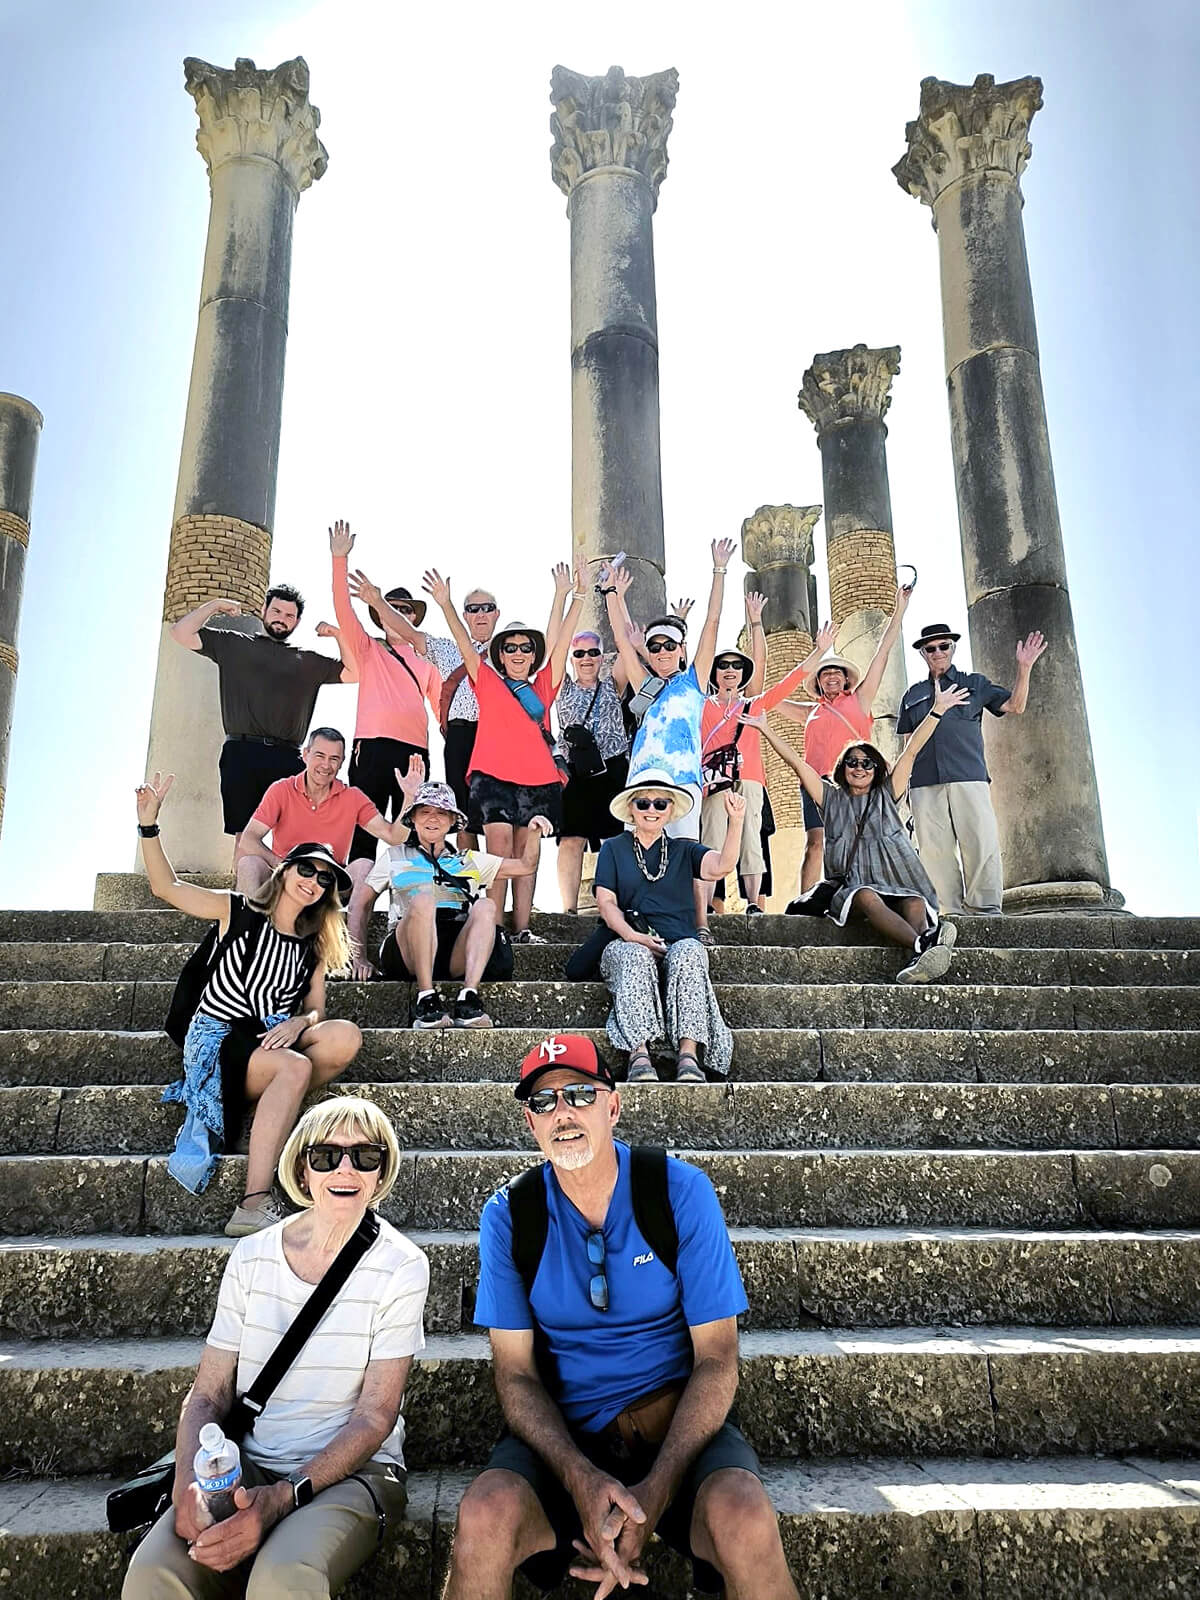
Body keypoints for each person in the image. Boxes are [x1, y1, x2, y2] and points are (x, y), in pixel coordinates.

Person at [440, 1033, 799, 1600]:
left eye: (580, 1094)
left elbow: (718, 1358)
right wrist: (580, 1478)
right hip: (567, 1437)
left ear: (613, 1105)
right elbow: (514, 1374)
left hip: (677, 1426)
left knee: (745, 1516)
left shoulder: (678, 1191)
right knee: (485, 1515)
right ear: (530, 1124)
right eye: (543, 1102)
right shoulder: (510, 1215)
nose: (563, 1113)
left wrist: (654, 1493)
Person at [122, 1095, 428, 1600]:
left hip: (349, 1475)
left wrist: (282, 1499)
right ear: (303, 1171)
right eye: (326, 1156)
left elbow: (376, 1416)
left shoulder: (402, 1266)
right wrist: (185, 1487)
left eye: (365, 1156)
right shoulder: (251, 1256)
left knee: (283, 1578)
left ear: (381, 1172)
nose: (346, 1168)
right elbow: (206, 1395)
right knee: (156, 1572)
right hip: (248, 1461)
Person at [136, 773, 363, 1237]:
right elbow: (166, 887)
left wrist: (300, 1023)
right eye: (307, 869)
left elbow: (316, 1009)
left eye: (325, 879)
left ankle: (265, 1104)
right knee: (294, 1070)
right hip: (219, 1037)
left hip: (272, 1036)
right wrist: (148, 826)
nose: (315, 882)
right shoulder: (235, 911)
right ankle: (253, 1202)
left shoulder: (313, 943)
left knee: (346, 1035)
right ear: (285, 871)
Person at [747, 676, 971, 981]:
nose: (859, 767)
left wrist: (937, 711)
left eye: (867, 763)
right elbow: (797, 765)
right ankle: (924, 943)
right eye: (852, 762)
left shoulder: (887, 795)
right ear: (843, 768)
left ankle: (924, 958)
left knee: (916, 901)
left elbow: (912, 750)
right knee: (865, 895)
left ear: (877, 769)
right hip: (853, 891)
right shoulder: (831, 798)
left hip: (897, 883)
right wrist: (765, 728)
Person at [421, 563, 586, 944]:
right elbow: (463, 642)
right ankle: (492, 929)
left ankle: (523, 928)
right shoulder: (488, 681)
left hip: (539, 782)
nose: (517, 652)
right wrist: (446, 605)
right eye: (509, 647)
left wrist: (570, 596)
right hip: (492, 779)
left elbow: (560, 644)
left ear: (532, 656)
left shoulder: (543, 686)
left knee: (528, 856)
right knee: (498, 854)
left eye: (525, 648)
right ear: (499, 653)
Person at [347, 777, 553, 1030]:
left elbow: (525, 866)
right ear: (413, 819)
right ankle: (426, 998)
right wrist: (359, 957)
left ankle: (468, 997)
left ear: (452, 821)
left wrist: (533, 834)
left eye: (441, 813)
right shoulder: (393, 857)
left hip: (453, 946)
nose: (433, 818)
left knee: (486, 906)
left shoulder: (468, 861)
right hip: (406, 949)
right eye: (425, 812)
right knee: (423, 901)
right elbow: (361, 904)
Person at [170, 586, 350, 858]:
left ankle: (286, 894)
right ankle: (245, 897)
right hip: (242, 753)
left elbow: (355, 671)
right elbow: (180, 633)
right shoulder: (234, 645)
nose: (282, 618)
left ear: (297, 622)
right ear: (264, 611)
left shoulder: (309, 661)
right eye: (276, 610)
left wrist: (337, 635)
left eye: (290, 615)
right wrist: (215, 604)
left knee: (294, 833)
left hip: (288, 757)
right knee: (245, 835)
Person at [594, 773, 745, 1083]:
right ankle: (639, 1055)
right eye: (644, 802)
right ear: (632, 808)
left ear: (670, 809)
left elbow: (722, 866)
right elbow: (606, 903)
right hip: (625, 941)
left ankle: (688, 1055)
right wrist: (633, 935)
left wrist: (736, 821)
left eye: (660, 803)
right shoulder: (613, 848)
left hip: (676, 943)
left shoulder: (684, 850)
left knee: (691, 950)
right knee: (634, 955)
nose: (652, 809)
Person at [697, 602, 835, 934]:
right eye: (724, 665)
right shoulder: (700, 705)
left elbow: (791, 678)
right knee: (712, 838)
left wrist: (758, 624)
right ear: (714, 673)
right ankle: (707, 905)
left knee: (751, 841)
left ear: (742, 674)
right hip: (714, 781)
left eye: (736, 666)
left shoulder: (753, 703)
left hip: (750, 778)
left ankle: (754, 903)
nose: (730, 670)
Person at [897, 623, 1048, 915]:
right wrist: (902, 787)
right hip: (923, 783)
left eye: (944, 646)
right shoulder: (911, 696)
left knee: (980, 843)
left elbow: (1015, 705)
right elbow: (907, 745)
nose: (938, 652)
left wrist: (1024, 667)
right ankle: (948, 913)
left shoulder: (975, 684)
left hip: (969, 777)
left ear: (953, 648)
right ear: (923, 654)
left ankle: (986, 911)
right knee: (933, 852)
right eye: (931, 648)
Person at [774, 584, 914, 894]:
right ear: (819, 681)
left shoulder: (860, 699)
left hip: (855, 779)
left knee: (859, 842)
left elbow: (882, 652)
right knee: (816, 843)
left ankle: (861, 896)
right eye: (825, 673)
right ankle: (805, 906)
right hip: (817, 782)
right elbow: (769, 699)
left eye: (836, 672)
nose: (832, 676)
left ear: (846, 677)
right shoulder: (809, 711)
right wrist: (815, 654)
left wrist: (899, 609)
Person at [600, 541, 735, 843]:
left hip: (683, 779)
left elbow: (712, 622)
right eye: (655, 647)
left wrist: (719, 570)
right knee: (637, 859)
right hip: (641, 780)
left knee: (684, 854)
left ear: (681, 649)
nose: (662, 652)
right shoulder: (644, 683)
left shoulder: (694, 681)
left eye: (669, 645)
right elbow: (622, 640)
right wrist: (610, 593)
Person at [357, 572, 502, 851]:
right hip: (461, 736)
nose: (480, 614)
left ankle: (498, 895)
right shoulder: (448, 650)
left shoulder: (511, 651)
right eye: (473, 609)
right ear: (465, 615)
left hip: (497, 736)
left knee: (500, 821)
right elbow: (409, 632)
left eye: (487, 608)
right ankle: (470, 888)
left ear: (497, 614)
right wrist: (377, 602)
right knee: (464, 818)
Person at [326, 520, 440, 863]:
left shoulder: (428, 656)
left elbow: (442, 710)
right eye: (392, 608)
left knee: (413, 832)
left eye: (406, 610)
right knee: (364, 829)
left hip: (415, 753)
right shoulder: (368, 648)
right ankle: (359, 907)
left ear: (414, 619)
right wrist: (338, 559)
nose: (399, 614)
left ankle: (407, 908)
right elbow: (343, 609)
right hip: (371, 748)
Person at [237, 729, 430, 899]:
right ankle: (245, 935)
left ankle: (356, 941)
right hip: (286, 876)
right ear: (305, 755)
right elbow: (248, 839)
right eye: (320, 756)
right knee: (248, 863)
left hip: (330, 883)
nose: (326, 765)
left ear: (341, 763)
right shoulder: (281, 790)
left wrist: (410, 797)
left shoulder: (353, 797)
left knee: (363, 865)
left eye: (334, 759)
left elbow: (394, 836)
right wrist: (279, 863)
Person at [553, 629, 631, 914]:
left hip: (611, 768)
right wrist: (570, 595)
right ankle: (569, 910)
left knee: (613, 841)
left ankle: (611, 906)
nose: (586, 658)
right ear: (572, 658)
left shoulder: (613, 685)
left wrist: (615, 596)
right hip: (576, 771)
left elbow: (625, 647)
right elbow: (555, 647)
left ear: (602, 657)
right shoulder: (564, 688)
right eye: (579, 653)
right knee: (571, 840)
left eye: (593, 652)